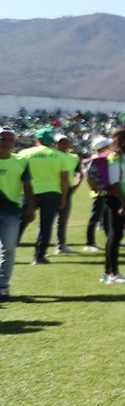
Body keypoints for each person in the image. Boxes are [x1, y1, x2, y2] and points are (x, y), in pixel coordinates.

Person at [17, 127, 71, 265]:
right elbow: (64, 180)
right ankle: (39, 256)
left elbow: (18, 175)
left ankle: (6, 251)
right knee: (46, 225)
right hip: (52, 194)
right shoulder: (61, 156)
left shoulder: (24, 153)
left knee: (19, 223)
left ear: (38, 139)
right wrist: (64, 197)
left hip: (29, 193)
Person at [0, 127, 36, 300]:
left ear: (14, 142)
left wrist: (30, 207)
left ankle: (3, 286)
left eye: (9, 140)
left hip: (11, 212)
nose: (5, 143)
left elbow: (28, 186)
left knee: (8, 249)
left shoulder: (21, 161)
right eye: (2, 139)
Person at [101, 127, 125, 284]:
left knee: (117, 235)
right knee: (115, 235)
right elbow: (115, 181)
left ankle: (109, 271)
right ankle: (112, 273)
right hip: (117, 199)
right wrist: (123, 202)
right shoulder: (115, 157)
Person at [83, 136, 113, 252]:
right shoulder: (95, 159)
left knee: (106, 217)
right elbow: (89, 176)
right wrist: (94, 188)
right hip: (99, 192)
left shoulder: (103, 158)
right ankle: (89, 243)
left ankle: (110, 238)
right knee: (95, 217)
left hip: (104, 191)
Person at [53, 134, 82, 254]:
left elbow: (79, 173)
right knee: (47, 220)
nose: (64, 145)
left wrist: (76, 185)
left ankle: (60, 245)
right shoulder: (52, 156)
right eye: (61, 142)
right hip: (52, 190)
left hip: (67, 189)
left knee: (62, 220)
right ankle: (41, 248)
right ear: (55, 144)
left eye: (66, 142)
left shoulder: (74, 157)